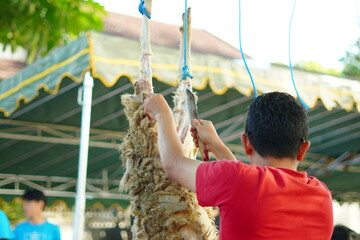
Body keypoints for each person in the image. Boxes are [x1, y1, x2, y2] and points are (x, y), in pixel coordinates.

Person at [144, 91, 333, 240]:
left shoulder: (238, 182)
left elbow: (174, 165)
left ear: (246, 143)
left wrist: (162, 114)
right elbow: (246, 190)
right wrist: (216, 145)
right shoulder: (322, 195)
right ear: (304, 149)